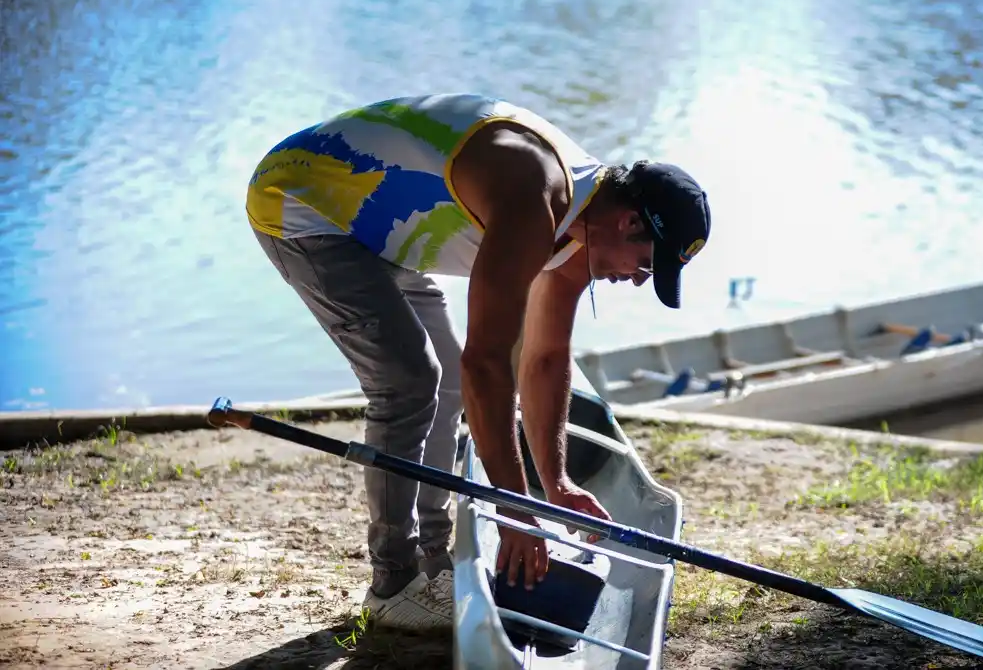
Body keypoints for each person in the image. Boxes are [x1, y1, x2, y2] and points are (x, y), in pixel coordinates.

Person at [244, 93, 711, 629]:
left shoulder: (584, 224)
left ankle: (434, 562)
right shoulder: (534, 199)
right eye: (645, 266)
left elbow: (544, 357)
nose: (635, 279)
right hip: (303, 207)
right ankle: (393, 584)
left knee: (441, 389)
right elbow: (487, 365)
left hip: (381, 228)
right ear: (629, 223)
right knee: (409, 382)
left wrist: (554, 483)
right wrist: (516, 514)